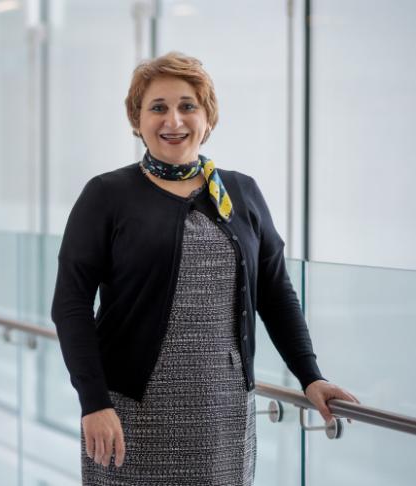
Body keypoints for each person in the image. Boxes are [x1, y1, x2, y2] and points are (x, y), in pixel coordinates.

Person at [50, 51, 359, 485]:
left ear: (207, 117)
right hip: (129, 413)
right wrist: (93, 402)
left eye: (187, 105)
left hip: (225, 411)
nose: (172, 120)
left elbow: (275, 292)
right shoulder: (106, 195)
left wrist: (311, 376)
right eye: (158, 107)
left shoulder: (242, 193)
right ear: (137, 120)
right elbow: (71, 305)